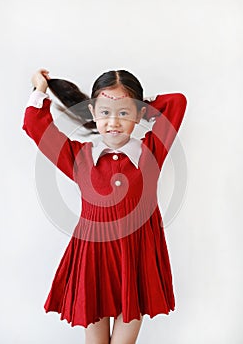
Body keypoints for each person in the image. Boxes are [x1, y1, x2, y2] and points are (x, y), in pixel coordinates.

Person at [22, 68, 187, 344]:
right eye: (105, 113)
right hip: (93, 261)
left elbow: (176, 102)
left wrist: (137, 105)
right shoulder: (78, 157)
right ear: (92, 112)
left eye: (124, 113)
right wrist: (39, 89)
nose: (113, 122)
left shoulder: (151, 153)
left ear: (136, 113)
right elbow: (34, 125)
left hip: (136, 260)